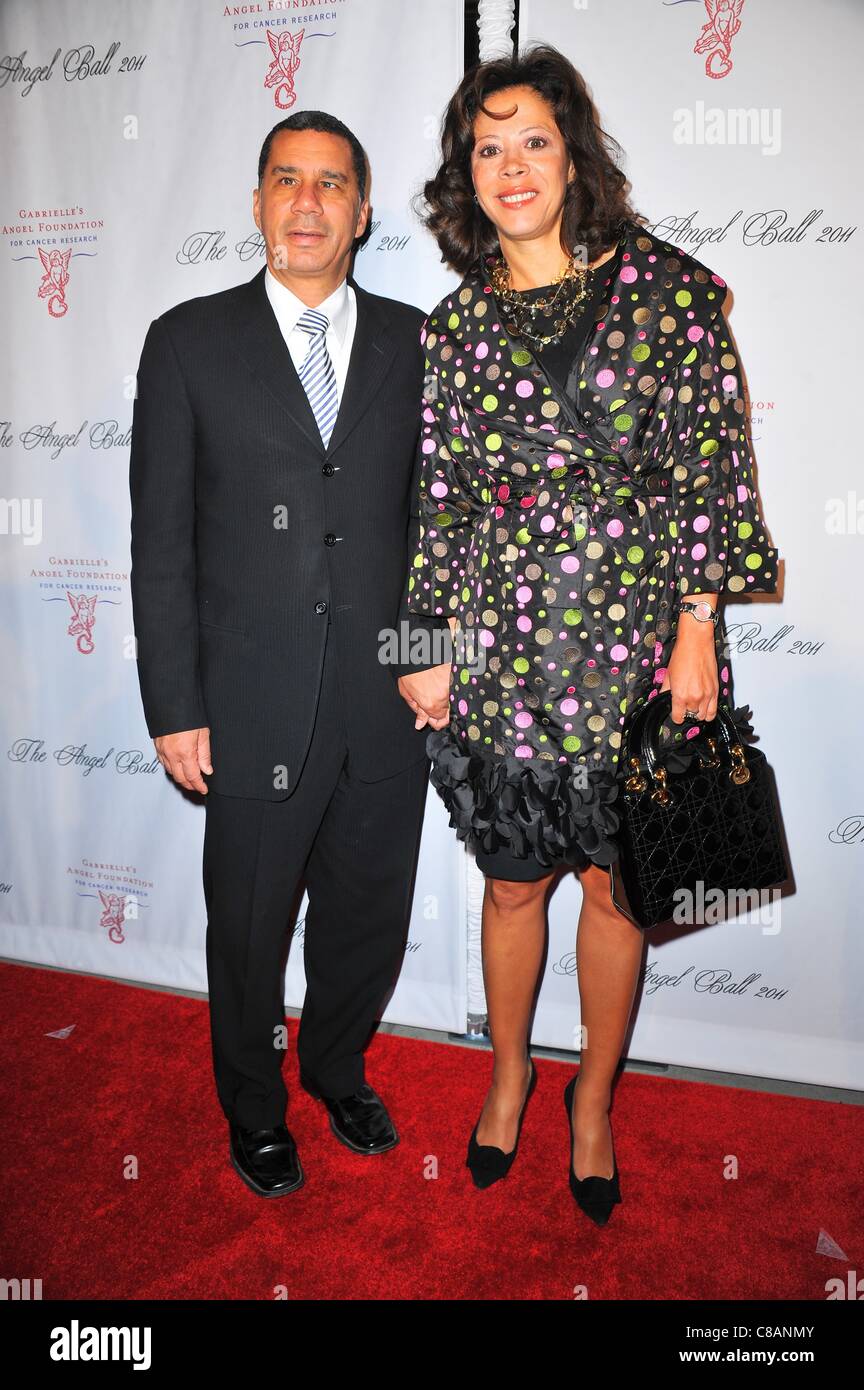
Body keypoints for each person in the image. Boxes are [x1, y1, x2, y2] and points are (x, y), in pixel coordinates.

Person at [399, 45, 779, 1225]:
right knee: (516, 891)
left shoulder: (667, 292)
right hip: (508, 651)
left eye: (534, 142)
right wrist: (423, 638)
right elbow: (443, 496)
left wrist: (699, 626)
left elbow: (712, 467)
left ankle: (594, 1099)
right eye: (488, 147)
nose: (512, 168)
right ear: (468, 175)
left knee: (622, 892)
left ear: (576, 156)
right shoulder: (453, 329)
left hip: (637, 642)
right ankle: (510, 1074)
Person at [129, 110, 450, 1198]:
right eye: (285, 180)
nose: (306, 204)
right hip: (250, 700)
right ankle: (255, 1108)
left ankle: (335, 1067)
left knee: (368, 914)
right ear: (258, 201)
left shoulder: (421, 343)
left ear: (363, 212)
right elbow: (160, 542)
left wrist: (428, 659)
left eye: (329, 185)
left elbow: (440, 529)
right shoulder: (186, 341)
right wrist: (174, 702)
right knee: (251, 930)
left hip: (386, 705)